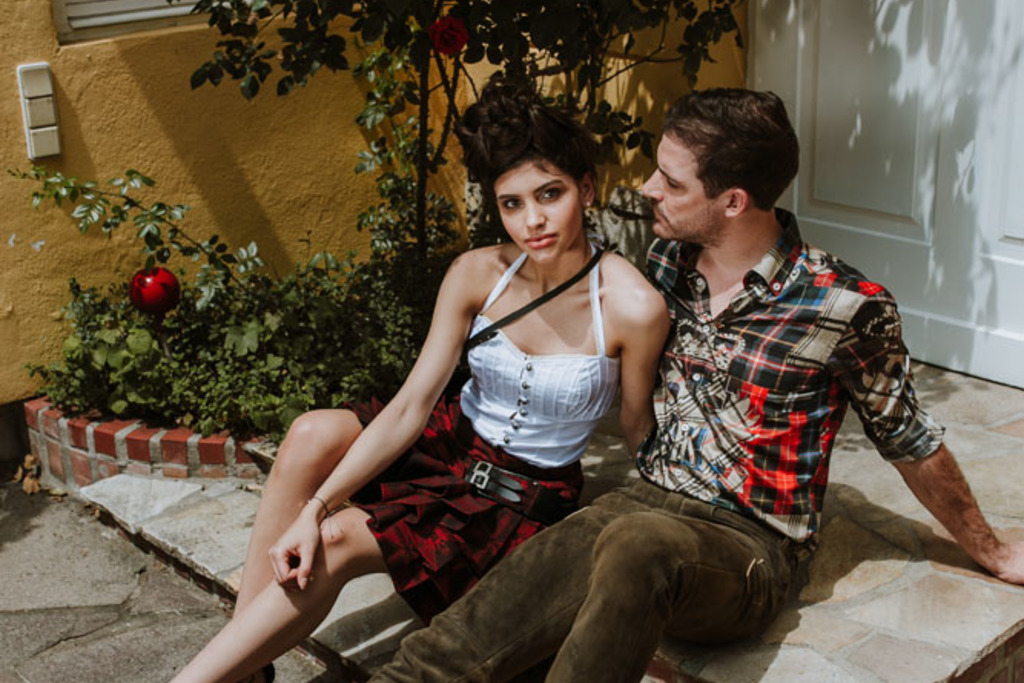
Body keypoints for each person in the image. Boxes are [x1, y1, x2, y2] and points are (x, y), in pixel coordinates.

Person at [366, 88, 1024, 683]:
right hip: (642, 502)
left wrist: (992, 551)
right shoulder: (666, 263)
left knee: (635, 545)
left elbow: (908, 437)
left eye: (671, 182)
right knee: (490, 613)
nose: (648, 187)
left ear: (732, 201)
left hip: (751, 545)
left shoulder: (845, 305)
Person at [169, 78, 669, 683]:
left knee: (338, 540)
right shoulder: (477, 273)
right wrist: (314, 505)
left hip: (515, 498)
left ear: (585, 190)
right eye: (512, 204)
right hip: (446, 446)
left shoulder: (632, 306)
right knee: (309, 434)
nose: (533, 220)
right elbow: (412, 405)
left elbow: (636, 427)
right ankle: (245, 669)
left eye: (550, 194)